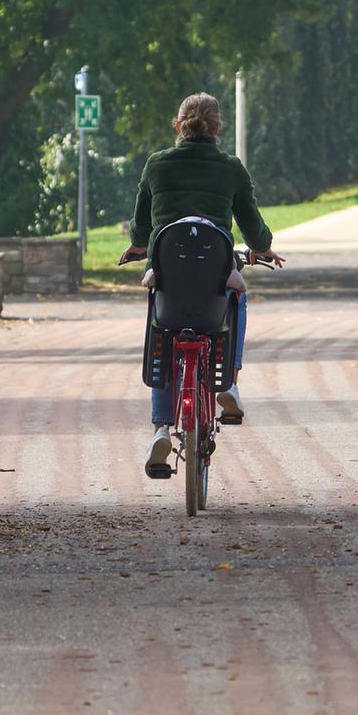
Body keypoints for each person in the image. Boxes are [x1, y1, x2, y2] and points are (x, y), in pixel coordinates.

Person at [119, 92, 284, 476]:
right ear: (217, 130)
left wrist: (141, 245)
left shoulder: (156, 165)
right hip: (215, 272)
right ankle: (227, 379)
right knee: (236, 297)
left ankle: (161, 426)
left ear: (178, 126)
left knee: (161, 332)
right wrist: (263, 248)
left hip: (167, 277)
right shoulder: (231, 168)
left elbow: (141, 223)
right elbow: (252, 224)